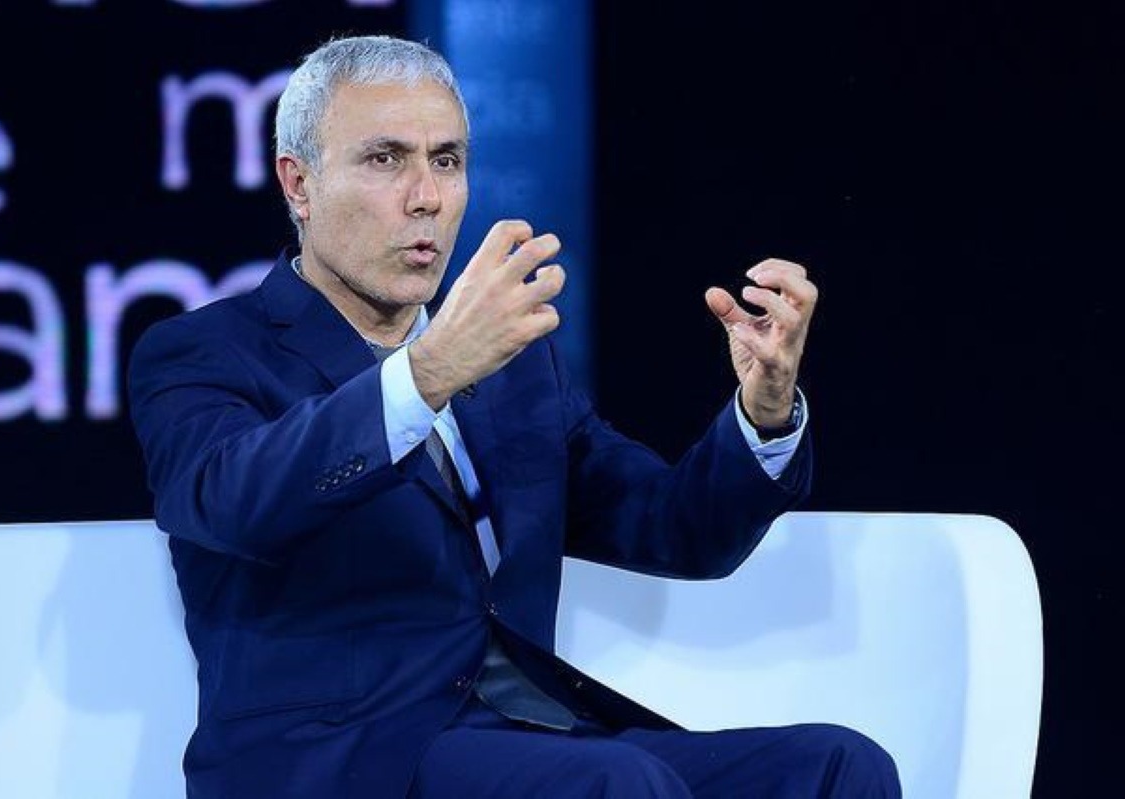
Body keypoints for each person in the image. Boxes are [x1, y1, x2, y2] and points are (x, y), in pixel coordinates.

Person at [127, 34, 901, 799]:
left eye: (446, 160)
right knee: (617, 781)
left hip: (532, 739)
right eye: (385, 159)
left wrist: (763, 413)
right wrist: (425, 375)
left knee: (838, 766)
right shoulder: (204, 352)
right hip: (347, 762)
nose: (426, 196)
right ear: (299, 184)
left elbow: (675, 529)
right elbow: (231, 501)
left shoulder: (512, 365)